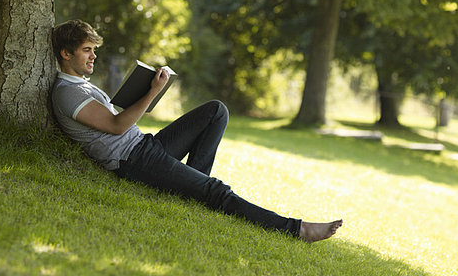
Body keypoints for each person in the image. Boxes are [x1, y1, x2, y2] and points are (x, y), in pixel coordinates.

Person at [51, 19, 342, 243]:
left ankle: (196, 188)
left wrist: (144, 92)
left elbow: (119, 120)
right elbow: (117, 126)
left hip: (144, 146)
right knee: (218, 191)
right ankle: (298, 229)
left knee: (215, 111)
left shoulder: (81, 84)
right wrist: (151, 92)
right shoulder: (67, 93)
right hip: (132, 161)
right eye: (87, 50)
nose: (93, 57)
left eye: (94, 50)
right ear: (66, 53)